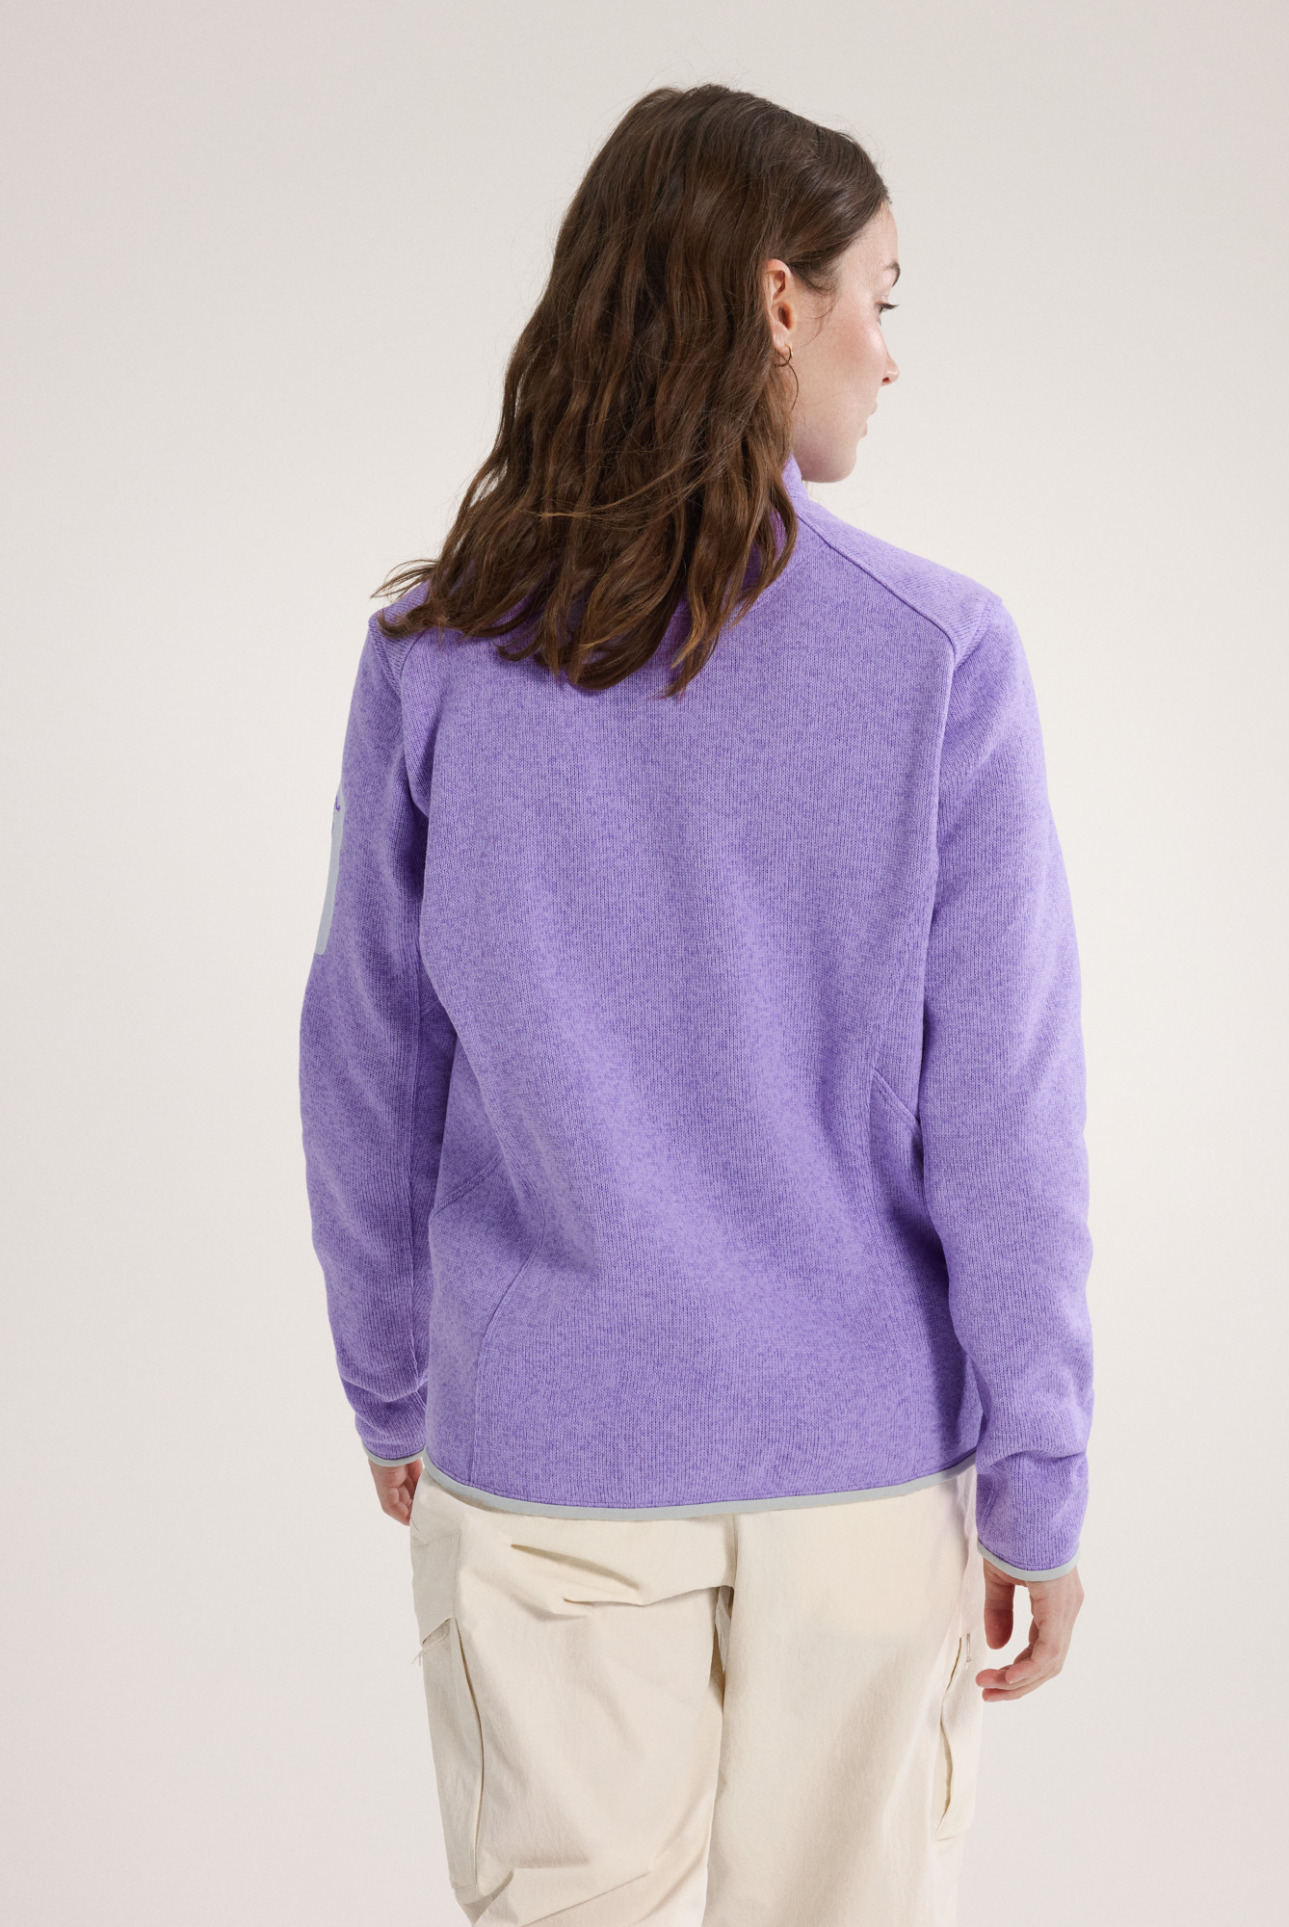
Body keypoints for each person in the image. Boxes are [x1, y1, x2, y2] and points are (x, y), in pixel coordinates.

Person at [299, 81, 1092, 1927]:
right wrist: (1037, 1481)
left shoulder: (438, 659)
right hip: (865, 1479)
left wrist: (391, 1379)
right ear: (775, 302)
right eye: (879, 296)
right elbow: (1003, 1112)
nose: (889, 353)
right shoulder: (939, 656)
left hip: (547, 1461)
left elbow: (370, 1065)